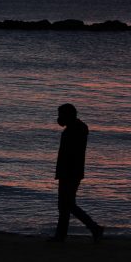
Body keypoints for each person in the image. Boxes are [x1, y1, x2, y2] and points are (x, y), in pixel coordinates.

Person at [49, 103, 104, 243]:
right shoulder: (76, 128)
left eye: (61, 115)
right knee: (66, 205)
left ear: (68, 115)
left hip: (70, 172)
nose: (59, 118)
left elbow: (71, 154)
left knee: (67, 204)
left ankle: (93, 228)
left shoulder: (75, 130)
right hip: (70, 171)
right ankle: (62, 235)